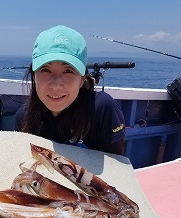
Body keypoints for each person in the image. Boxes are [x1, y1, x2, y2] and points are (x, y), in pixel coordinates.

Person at [14, 25, 126, 155]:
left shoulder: (103, 108)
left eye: (68, 71)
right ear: (34, 75)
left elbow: (117, 168)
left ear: (82, 78)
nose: (56, 85)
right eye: (45, 70)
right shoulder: (24, 116)